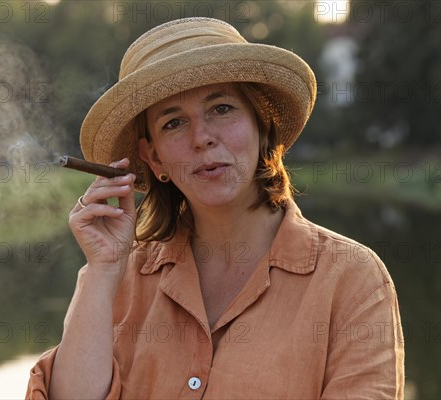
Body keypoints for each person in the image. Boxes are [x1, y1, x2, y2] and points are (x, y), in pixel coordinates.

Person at [26, 17, 405, 399]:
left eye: (222, 109)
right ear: (153, 157)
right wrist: (103, 269)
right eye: (173, 123)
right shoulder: (116, 279)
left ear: (262, 126)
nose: (202, 138)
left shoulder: (350, 278)